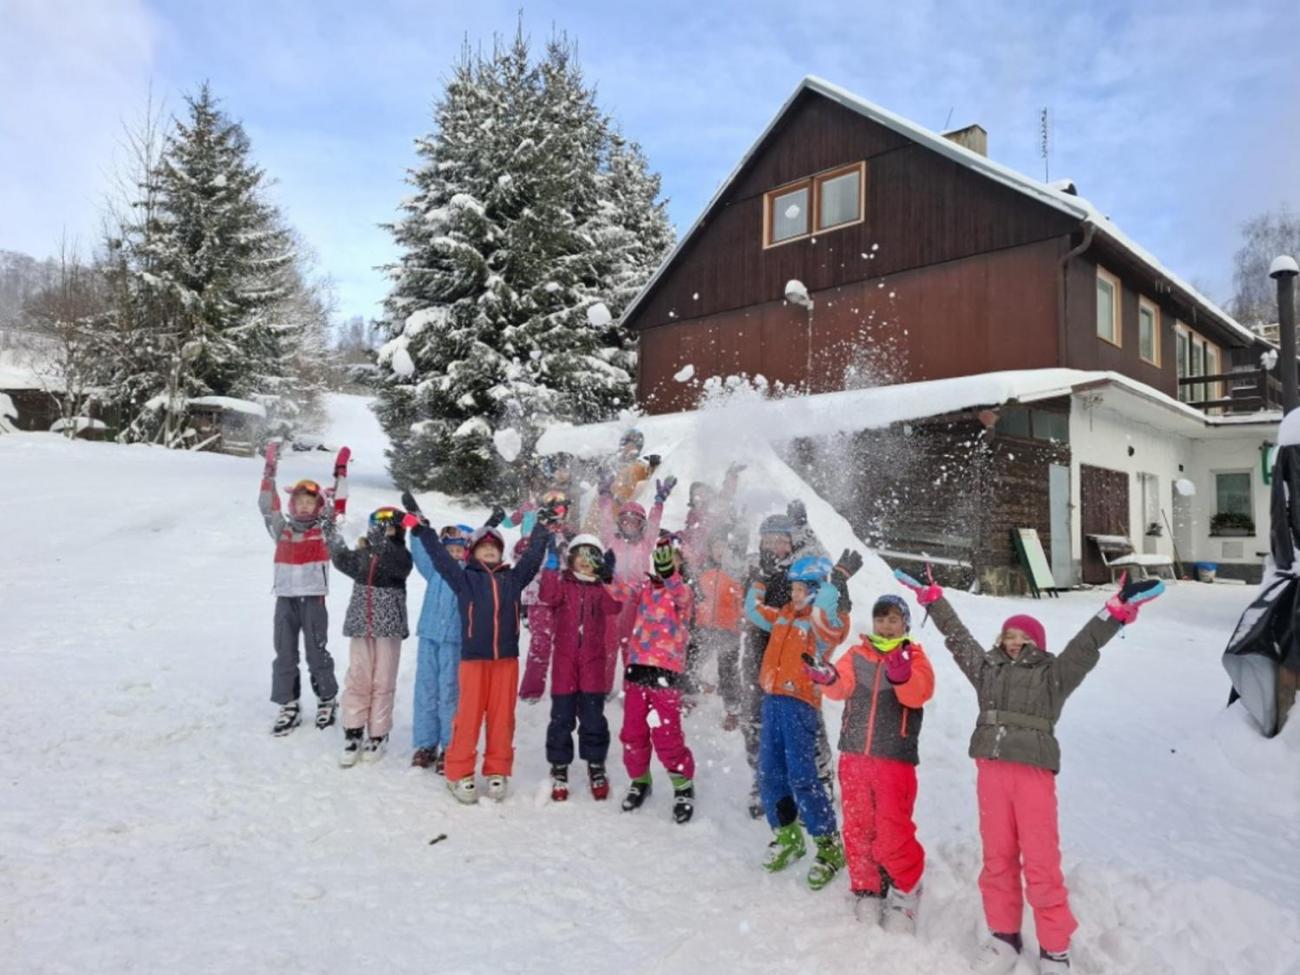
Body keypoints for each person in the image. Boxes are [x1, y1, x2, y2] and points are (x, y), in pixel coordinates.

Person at [895, 568, 1164, 975]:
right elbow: (958, 637)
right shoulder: (987, 670)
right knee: (997, 859)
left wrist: (1116, 611)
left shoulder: (1053, 676)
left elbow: (1085, 646)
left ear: (1037, 645)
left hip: (1033, 774)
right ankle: (1004, 937)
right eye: (1009, 635)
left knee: (1040, 862)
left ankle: (1055, 949)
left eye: (1024, 637)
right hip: (992, 773)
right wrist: (933, 599)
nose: (1015, 642)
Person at [406, 504, 551, 804]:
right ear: (473, 553)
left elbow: (534, 558)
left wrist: (542, 529)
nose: (489, 551)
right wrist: (423, 531)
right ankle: (458, 771)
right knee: (468, 716)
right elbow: (440, 558)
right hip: (473, 660)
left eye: (494, 548)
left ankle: (498, 769)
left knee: (502, 719)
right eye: (483, 547)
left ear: (501, 553)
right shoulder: (464, 579)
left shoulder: (513, 579)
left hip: (506, 662)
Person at [810, 593, 934, 931]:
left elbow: (918, 694)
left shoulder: (915, 657)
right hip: (854, 758)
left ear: (905, 624)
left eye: (894, 620)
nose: (887, 625)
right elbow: (842, 687)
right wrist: (828, 679)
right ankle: (867, 888)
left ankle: (906, 888)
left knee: (893, 829)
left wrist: (902, 674)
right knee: (857, 826)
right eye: (881, 619)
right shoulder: (857, 654)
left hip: (894, 760)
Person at [745, 552, 857, 890]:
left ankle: (828, 845)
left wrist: (833, 582)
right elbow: (753, 611)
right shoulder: (784, 615)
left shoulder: (824, 624)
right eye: (792, 588)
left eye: (798, 589)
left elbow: (828, 619)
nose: (791, 594)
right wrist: (758, 582)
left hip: (801, 705)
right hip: (773, 701)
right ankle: (788, 835)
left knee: (803, 776)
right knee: (769, 772)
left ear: (814, 589)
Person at [615, 532, 696, 824]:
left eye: (670, 559)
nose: (663, 564)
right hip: (637, 672)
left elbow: (680, 594)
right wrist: (602, 576)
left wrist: (670, 575)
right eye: (660, 559)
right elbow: (619, 591)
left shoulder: (683, 593)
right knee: (632, 734)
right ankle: (640, 781)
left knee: (667, 736)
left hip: (665, 676)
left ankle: (683, 787)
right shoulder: (644, 587)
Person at [537, 534, 625, 801]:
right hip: (565, 665)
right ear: (571, 560)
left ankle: (596, 763)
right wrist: (551, 567)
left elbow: (615, 606)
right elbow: (546, 595)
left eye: (591, 560)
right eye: (580, 558)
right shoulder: (563, 585)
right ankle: (559, 766)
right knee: (561, 718)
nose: (585, 565)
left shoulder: (600, 589)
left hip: (593, 666)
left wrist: (610, 579)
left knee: (593, 718)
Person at [324, 506, 413, 766]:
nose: (382, 531)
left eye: (389, 526)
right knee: (358, 678)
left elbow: (398, 566)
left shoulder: (401, 555)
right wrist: (330, 530)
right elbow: (340, 558)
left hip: (389, 628)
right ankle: (353, 731)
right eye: (378, 525)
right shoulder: (363, 554)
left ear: (398, 530)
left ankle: (378, 733)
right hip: (361, 625)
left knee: (383, 680)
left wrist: (381, 540)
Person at [258, 464, 338, 737]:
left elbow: (337, 506)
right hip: (285, 600)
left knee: (317, 652)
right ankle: (288, 704)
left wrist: (341, 473)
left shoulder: (324, 529)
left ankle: (327, 699)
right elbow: (268, 509)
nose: (304, 507)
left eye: (310, 502)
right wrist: (268, 474)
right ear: (293, 504)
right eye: (300, 502)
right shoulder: (283, 530)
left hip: (313, 599)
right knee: (284, 653)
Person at [597, 476, 674, 690]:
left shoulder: (646, 542)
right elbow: (605, 518)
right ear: (620, 523)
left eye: (635, 521)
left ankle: (629, 687)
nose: (630, 525)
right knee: (609, 644)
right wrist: (605, 496)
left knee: (631, 646)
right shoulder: (612, 540)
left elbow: (655, 523)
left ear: (641, 525)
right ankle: (604, 686)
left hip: (637, 601)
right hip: (612, 597)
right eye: (626, 521)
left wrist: (659, 502)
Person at [410, 524, 470, 772]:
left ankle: (449, 744)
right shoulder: (434, 569)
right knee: (425, 690)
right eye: (450, 550)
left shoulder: (468, 575)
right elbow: (422, 553)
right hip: (429, 635)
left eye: (459, 550)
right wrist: (417, 532)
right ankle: (425, 744)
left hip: (454, 640)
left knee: (449, 692)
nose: (454, 554)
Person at [690, 533, 744, 721]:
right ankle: (691, 696)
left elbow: (741, 601)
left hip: (728, 628)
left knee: (728, 670)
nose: (720, 551)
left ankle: (733, 710)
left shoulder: (736, 573)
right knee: (694, 662)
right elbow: (695, 597)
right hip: (704, 626)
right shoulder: (703, 571)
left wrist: (739, 621)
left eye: (724, 547)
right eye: (717, 546)